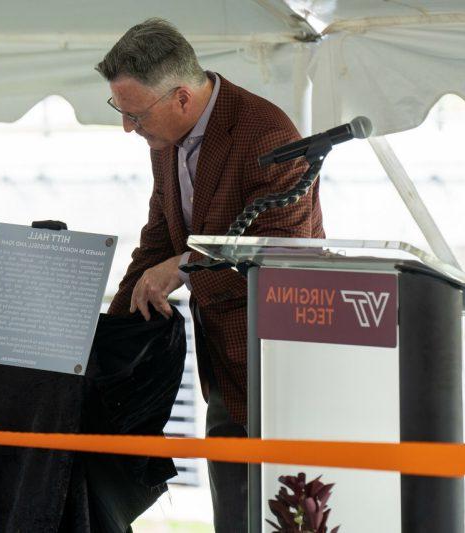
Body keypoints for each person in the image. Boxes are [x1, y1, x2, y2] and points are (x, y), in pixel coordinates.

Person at [96, 18, 325, 532]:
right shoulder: (166, 140)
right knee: (234, 511)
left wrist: (182, 269)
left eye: (134, 114)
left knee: (284, 512)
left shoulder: (267, 135)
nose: (128, 128)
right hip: (223, 366)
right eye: (120, 111)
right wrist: (107, 336)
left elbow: (280, 256)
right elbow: (158, 239)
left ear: (180, 97)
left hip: (279, 362)